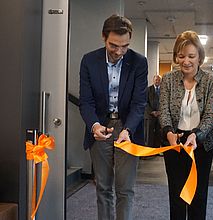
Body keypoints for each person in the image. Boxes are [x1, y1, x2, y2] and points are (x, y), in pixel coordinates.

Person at [79, 14, 148, 220]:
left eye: (125, 46)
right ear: (103, 37)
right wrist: (94, 125)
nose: (119, 51)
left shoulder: (138, 62)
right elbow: (86, 101)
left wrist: (128, 130)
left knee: (125, 188)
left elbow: (139, 103)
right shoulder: (89, 61)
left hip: (128, 127)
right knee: (103, 187)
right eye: (113, 45)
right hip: (100, 125)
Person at [159, 30, 213, 220]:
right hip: (174, 143)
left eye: (191, 56)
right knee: (176, 195)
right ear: (176, 57)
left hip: (201, 145)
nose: (186, 61)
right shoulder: (168, 79)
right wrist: (169, 133)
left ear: (200, 57)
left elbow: (211, 114)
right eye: (181, 56)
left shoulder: (212, 81)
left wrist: (197, 134)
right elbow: (164, 111)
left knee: (198, 196)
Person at [144, 74, 162, 148]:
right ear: (153, 80)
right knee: (149, 133)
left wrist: (160, 111)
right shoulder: (148, 89)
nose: (157, 81)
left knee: (158, 132)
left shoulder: (164, 89)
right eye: (156, 80)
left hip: (160, 115)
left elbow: (165, 101)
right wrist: (152, 112)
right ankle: (148, 149)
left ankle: (156, 149)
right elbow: (145, 102)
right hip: (149, 115)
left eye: (158, 80)